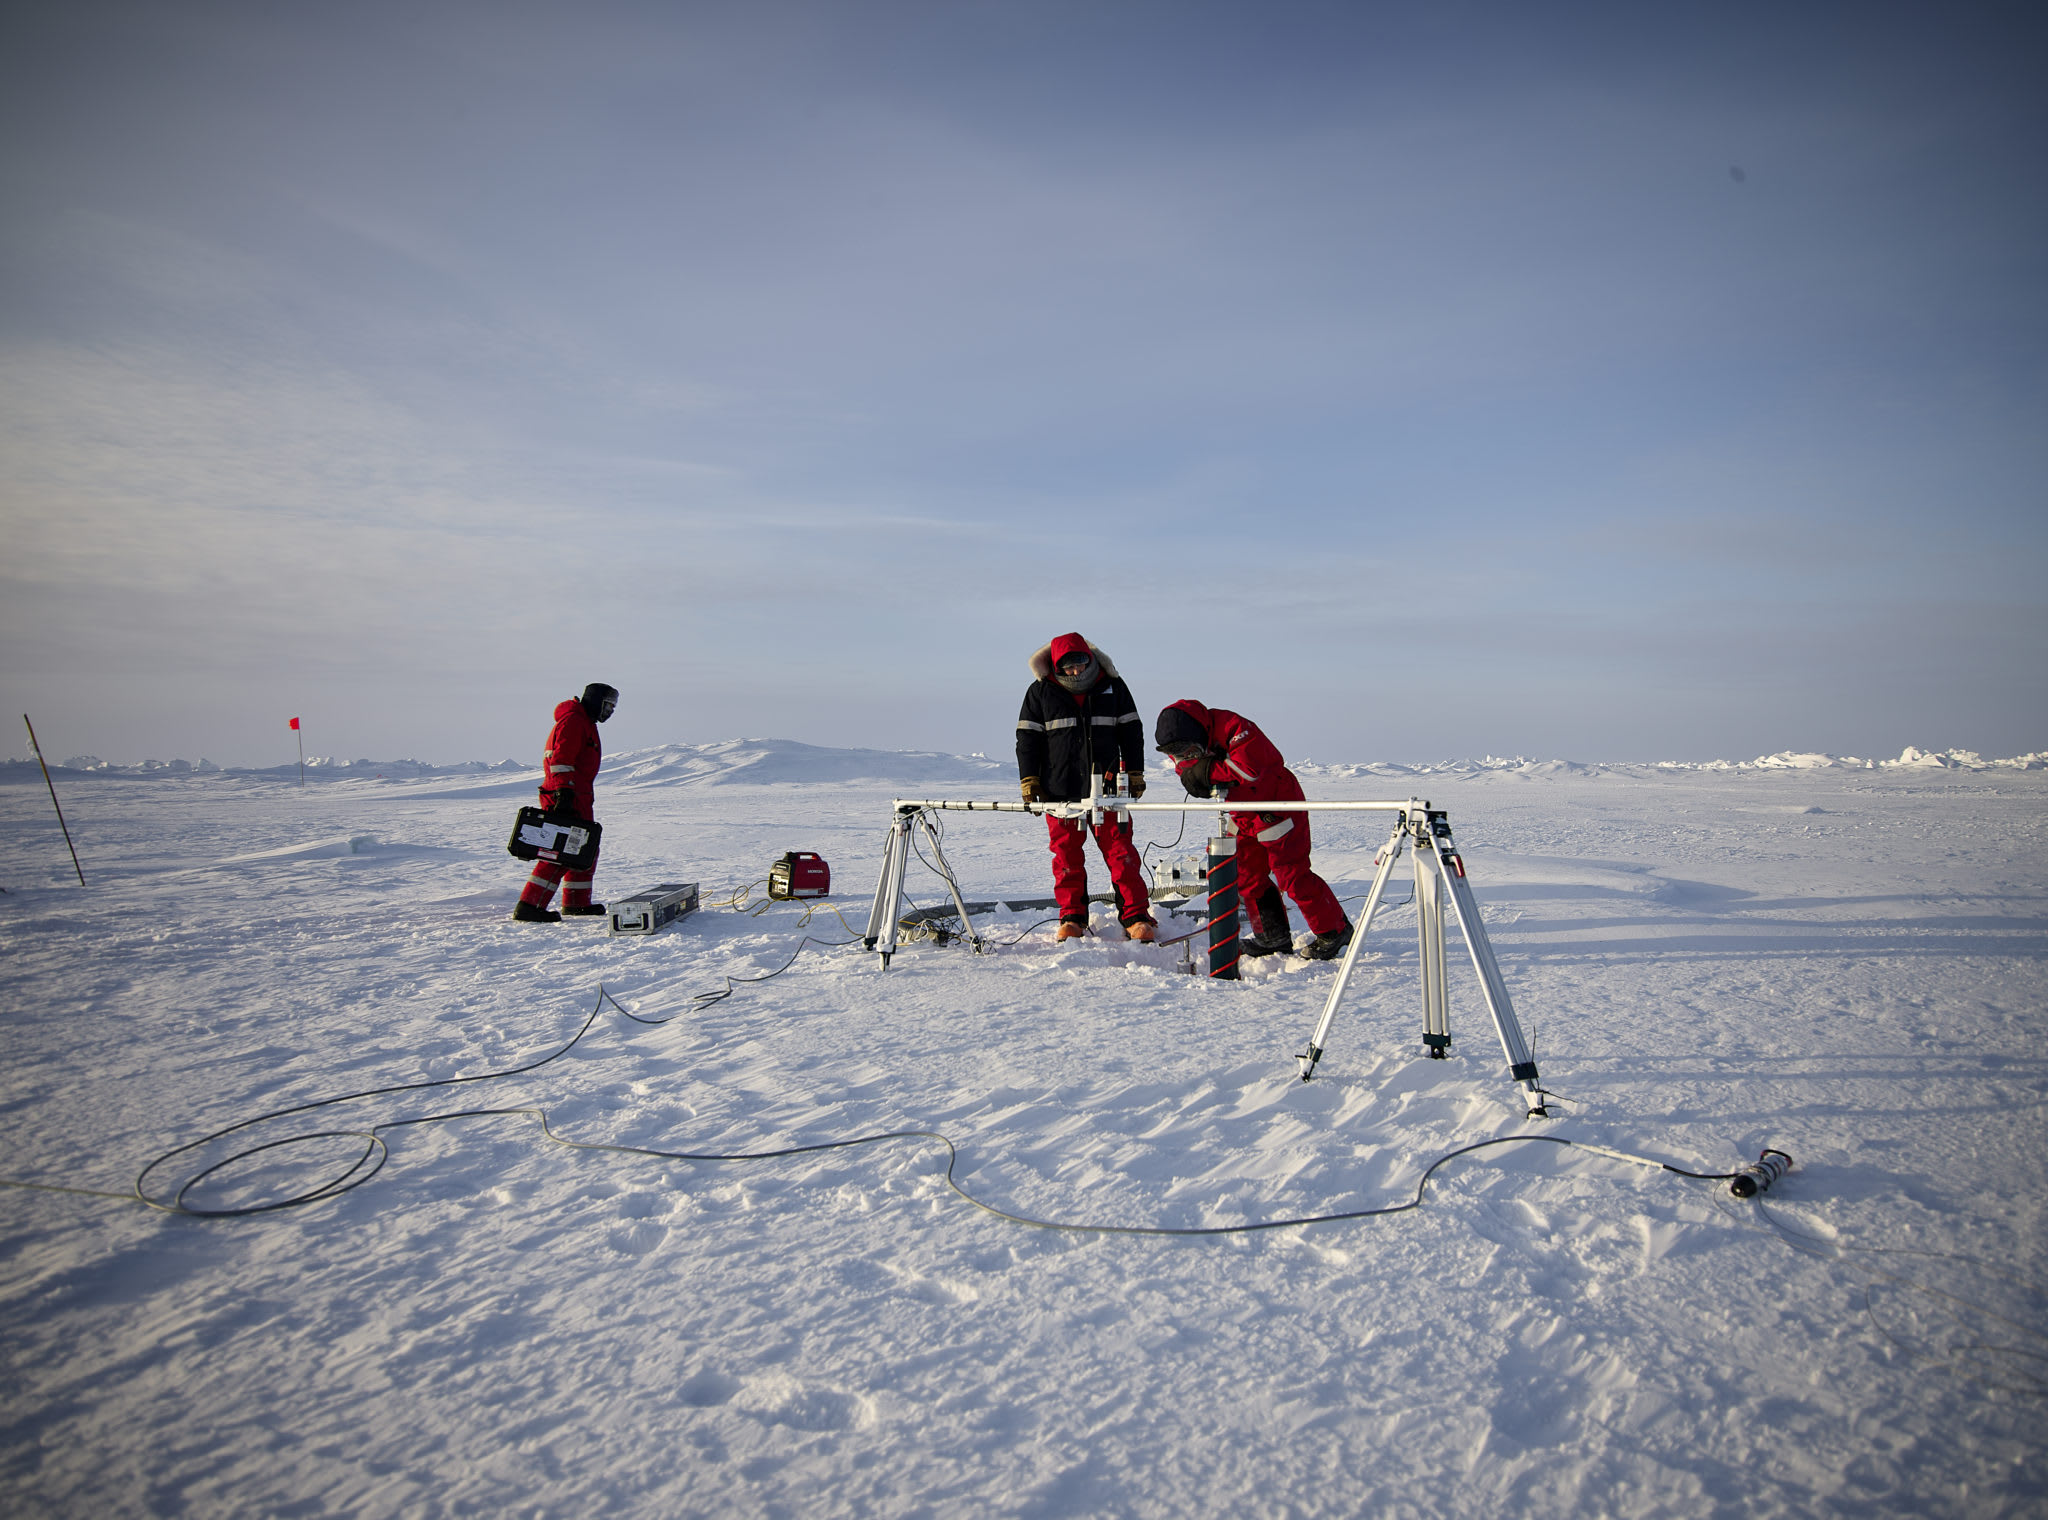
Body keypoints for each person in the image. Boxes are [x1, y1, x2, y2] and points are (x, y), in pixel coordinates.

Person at [1154, 700, 1352, 960]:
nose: (1184, 756)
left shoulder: (1234, 727)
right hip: (1241, 809)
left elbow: (1249, 769)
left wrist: (1207, 771)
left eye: (1188, 750)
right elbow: (1189, 770)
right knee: (1247, 875)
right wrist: (1197, 776)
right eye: (1177, 753)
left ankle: (1334, 931)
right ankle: (1271, 937)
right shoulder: (1181, 745)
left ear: (1197, 734)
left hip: (1276, 804)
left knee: (1292, 875)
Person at [1016, 633, 1157, 942]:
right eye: (1067, 666)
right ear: (1056, 667)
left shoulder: (1113, 686)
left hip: (1107, 789)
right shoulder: (1040, 693)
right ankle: (1072, 918)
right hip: (1059, 790)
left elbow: (1132, 731)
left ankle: (1136, 916)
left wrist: (1134, 772)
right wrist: (1030, 780)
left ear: (1090, 659)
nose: (1075, 671)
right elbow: (1028, 741)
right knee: (1066, 857)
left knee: (1122, 854)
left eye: (1080, 663)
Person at [512, 682, 618, 923]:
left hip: (579, 796)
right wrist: (564, 793)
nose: (611, 711)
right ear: (595, 700)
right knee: (559, 852)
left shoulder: (586, 722)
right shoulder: (573, 721)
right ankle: (529, 906)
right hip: (565, 795)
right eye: (608, 705)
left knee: (583, 848)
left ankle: (576, 902)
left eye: (613, 706)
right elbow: (560, 760)